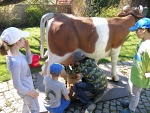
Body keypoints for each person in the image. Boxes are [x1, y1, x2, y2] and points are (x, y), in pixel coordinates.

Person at [0, 27, 39, 113]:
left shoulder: (17, 53)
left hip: (28, 87)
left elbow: (29, 61)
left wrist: (27, 49)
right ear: (17, 42)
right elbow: (17, 85)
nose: (25, 40)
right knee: (35, 108)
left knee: (26, 105)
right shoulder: (15, 62)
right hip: (26, 91)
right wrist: (31, 93)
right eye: (22, 38)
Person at [119, 18, 150, 113]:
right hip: (134, 73)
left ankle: (131, 109)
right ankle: (130, 102)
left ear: (143, 29)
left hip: (140, 77)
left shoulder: (148, 46)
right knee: (130, 89)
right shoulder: (143, 40)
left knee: (135, 93)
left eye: (137, 30)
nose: (135, 32)